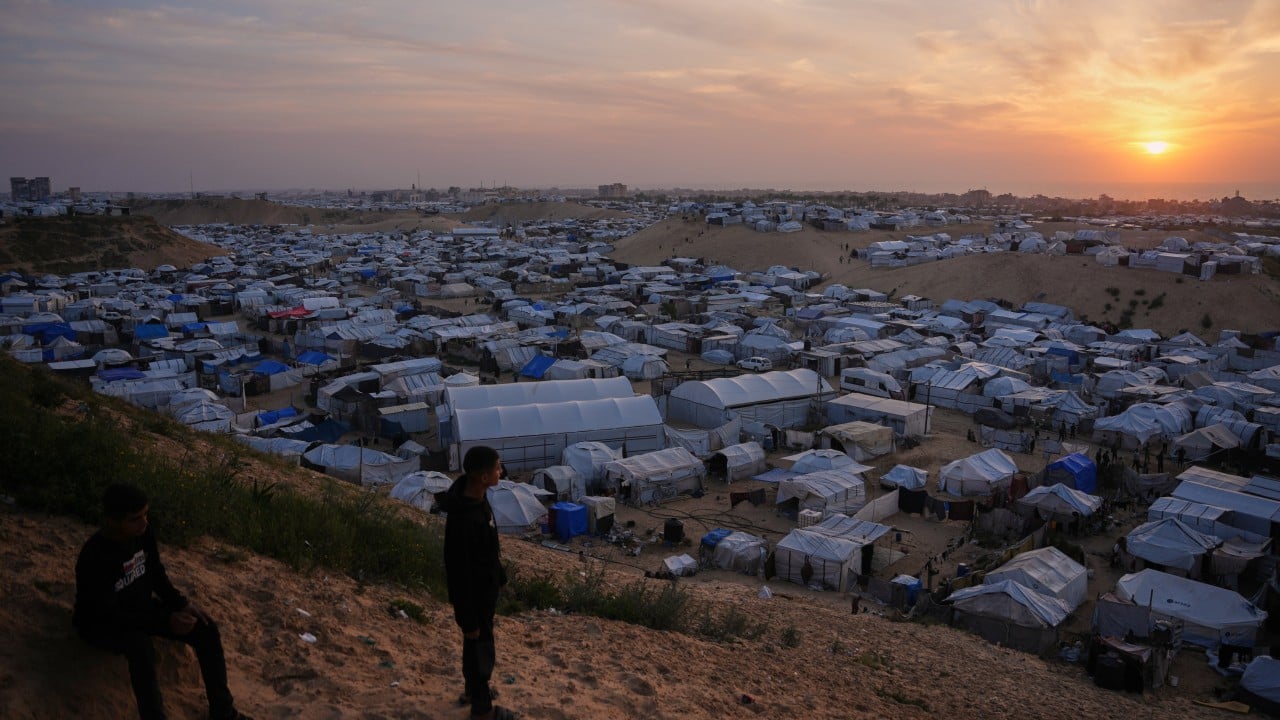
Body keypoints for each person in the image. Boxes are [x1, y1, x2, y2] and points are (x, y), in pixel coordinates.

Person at [74, 484, 250, 720]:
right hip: (100, 622)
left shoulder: (142, 535)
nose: (144, 523)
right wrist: (165, 619)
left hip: (140, 609)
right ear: (112, 521)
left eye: (146, 514)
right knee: (141, 646)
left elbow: (155, 572)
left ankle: (223, 712)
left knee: (206, 628)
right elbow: (107, 613)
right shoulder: (95, 557)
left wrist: (180, 604)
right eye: (135, 519)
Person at [437, 446, 517, 720]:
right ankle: (483, 710)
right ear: (483, 476)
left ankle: (473, 690)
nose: (501, 471)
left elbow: (488, 550)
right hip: (474, 598)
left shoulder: (477, 500)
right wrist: (466, 617)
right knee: (481, 650)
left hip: (485, 590)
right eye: (497, 467)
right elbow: (458, 571)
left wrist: (501, 577)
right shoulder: (464, 519)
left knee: (476, 646)